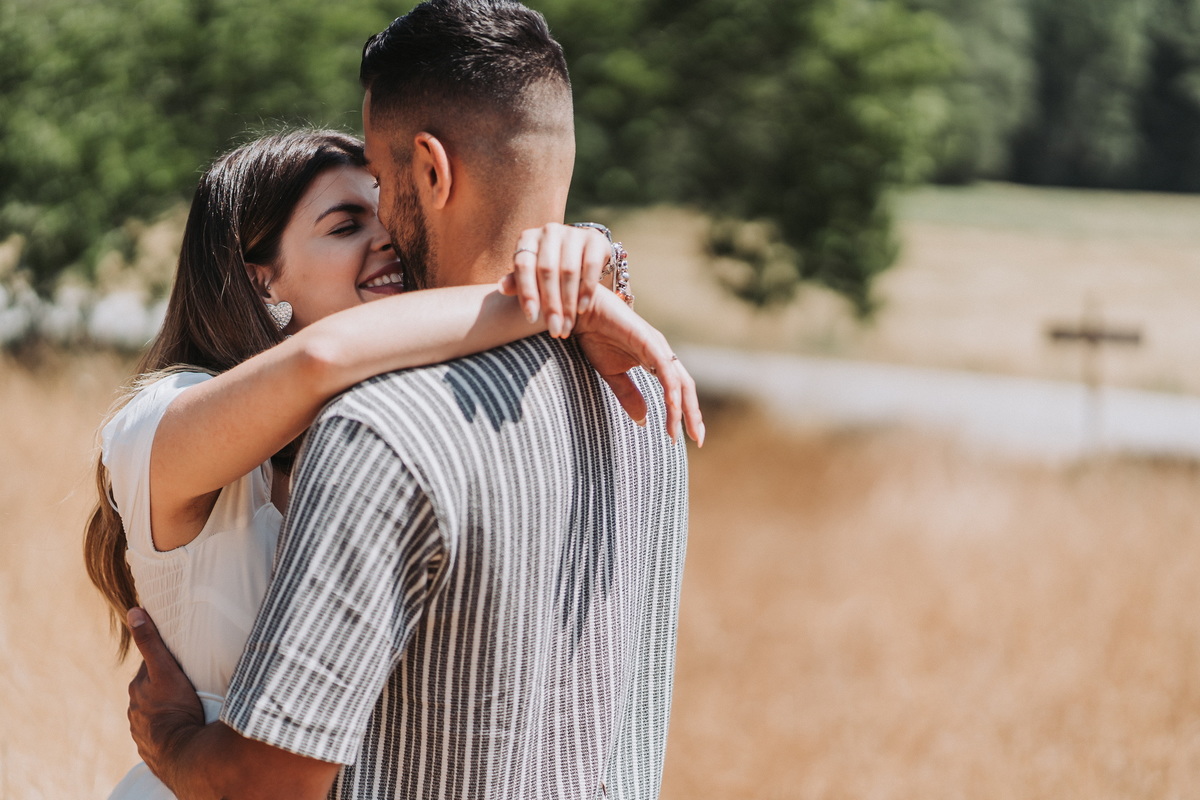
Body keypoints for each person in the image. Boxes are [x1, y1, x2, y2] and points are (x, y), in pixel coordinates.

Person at [125, 2, 694, 798]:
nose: (386, 230)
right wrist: (574, 272)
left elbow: (264, 781)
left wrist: (176, 741)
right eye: (345, 220)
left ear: (432, 170)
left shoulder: (384, 432)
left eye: (384, 190)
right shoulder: (640, 391)